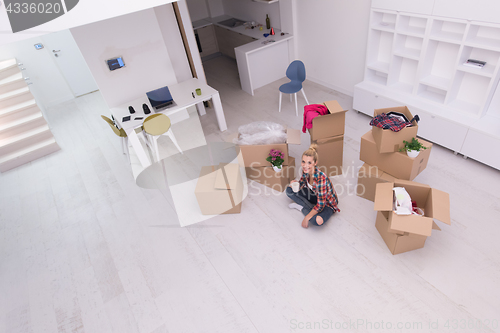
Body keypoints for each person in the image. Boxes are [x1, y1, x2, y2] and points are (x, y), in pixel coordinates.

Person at [285, 144, 340, 228]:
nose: (305, 165)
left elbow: (321, 205)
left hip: (327, 204)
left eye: (309, 163)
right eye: (303, 161)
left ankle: (302, 208)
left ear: (315, 163)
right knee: (289, 190)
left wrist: (306, 218)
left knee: (317, 221)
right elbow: (302, 183)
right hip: (315, 196)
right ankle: (310, 209)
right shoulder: (306, 171)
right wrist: (295, 184)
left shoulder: (321, 178)